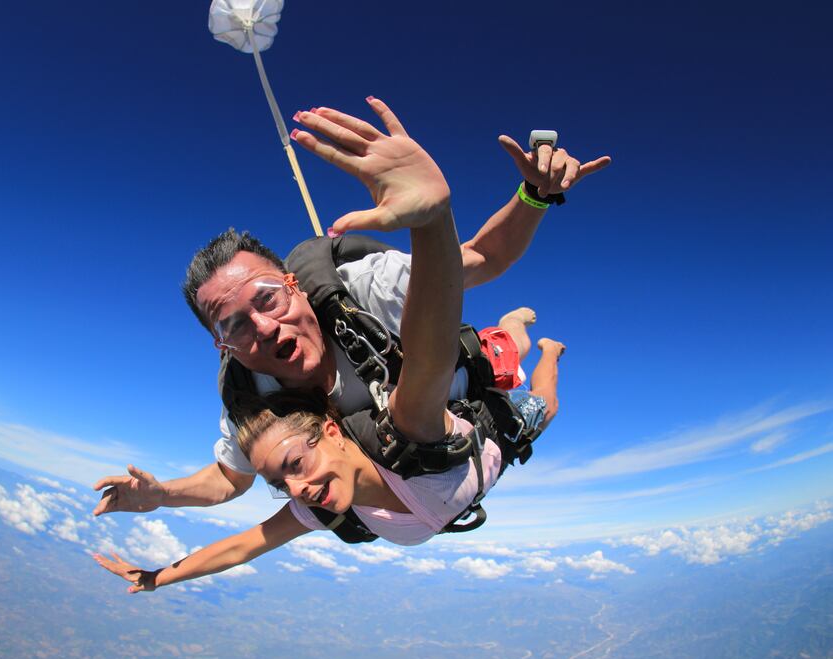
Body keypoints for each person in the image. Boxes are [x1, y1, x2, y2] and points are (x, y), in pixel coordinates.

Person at [91, 97, 608, 517]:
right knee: (521, 375)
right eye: (236, 327)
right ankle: (518, 333)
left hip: (468, 383)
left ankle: (530, 336)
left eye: (267, 298)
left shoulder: (364, 290)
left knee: (523, 371)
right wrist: (162, 495)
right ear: (221, 346)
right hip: (435, 441)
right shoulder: (249, 396)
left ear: (295, 286)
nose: (264, 327)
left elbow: (481, 257)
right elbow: (230, 478)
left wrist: (534, 195)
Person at [93, 306, 568, 591]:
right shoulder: (321, 507)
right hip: (490, 463)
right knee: (548, 408)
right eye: (281, 484)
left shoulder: (410, 427)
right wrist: (158, 577)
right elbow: (241, 547)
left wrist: (432, 221)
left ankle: (529, 336)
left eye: (295, 464)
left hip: (493, 428)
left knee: (517, 367)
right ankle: (535, 347)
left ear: (333, 432)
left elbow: (432, 325)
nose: (297, 487)